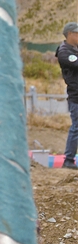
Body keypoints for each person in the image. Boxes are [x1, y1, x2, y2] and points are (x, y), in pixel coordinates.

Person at [57, 22, 78, 169]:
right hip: (76, 96)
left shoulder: (75, 50)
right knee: (76, 127)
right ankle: (68, 160)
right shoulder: (64, 52)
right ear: (70, 34)